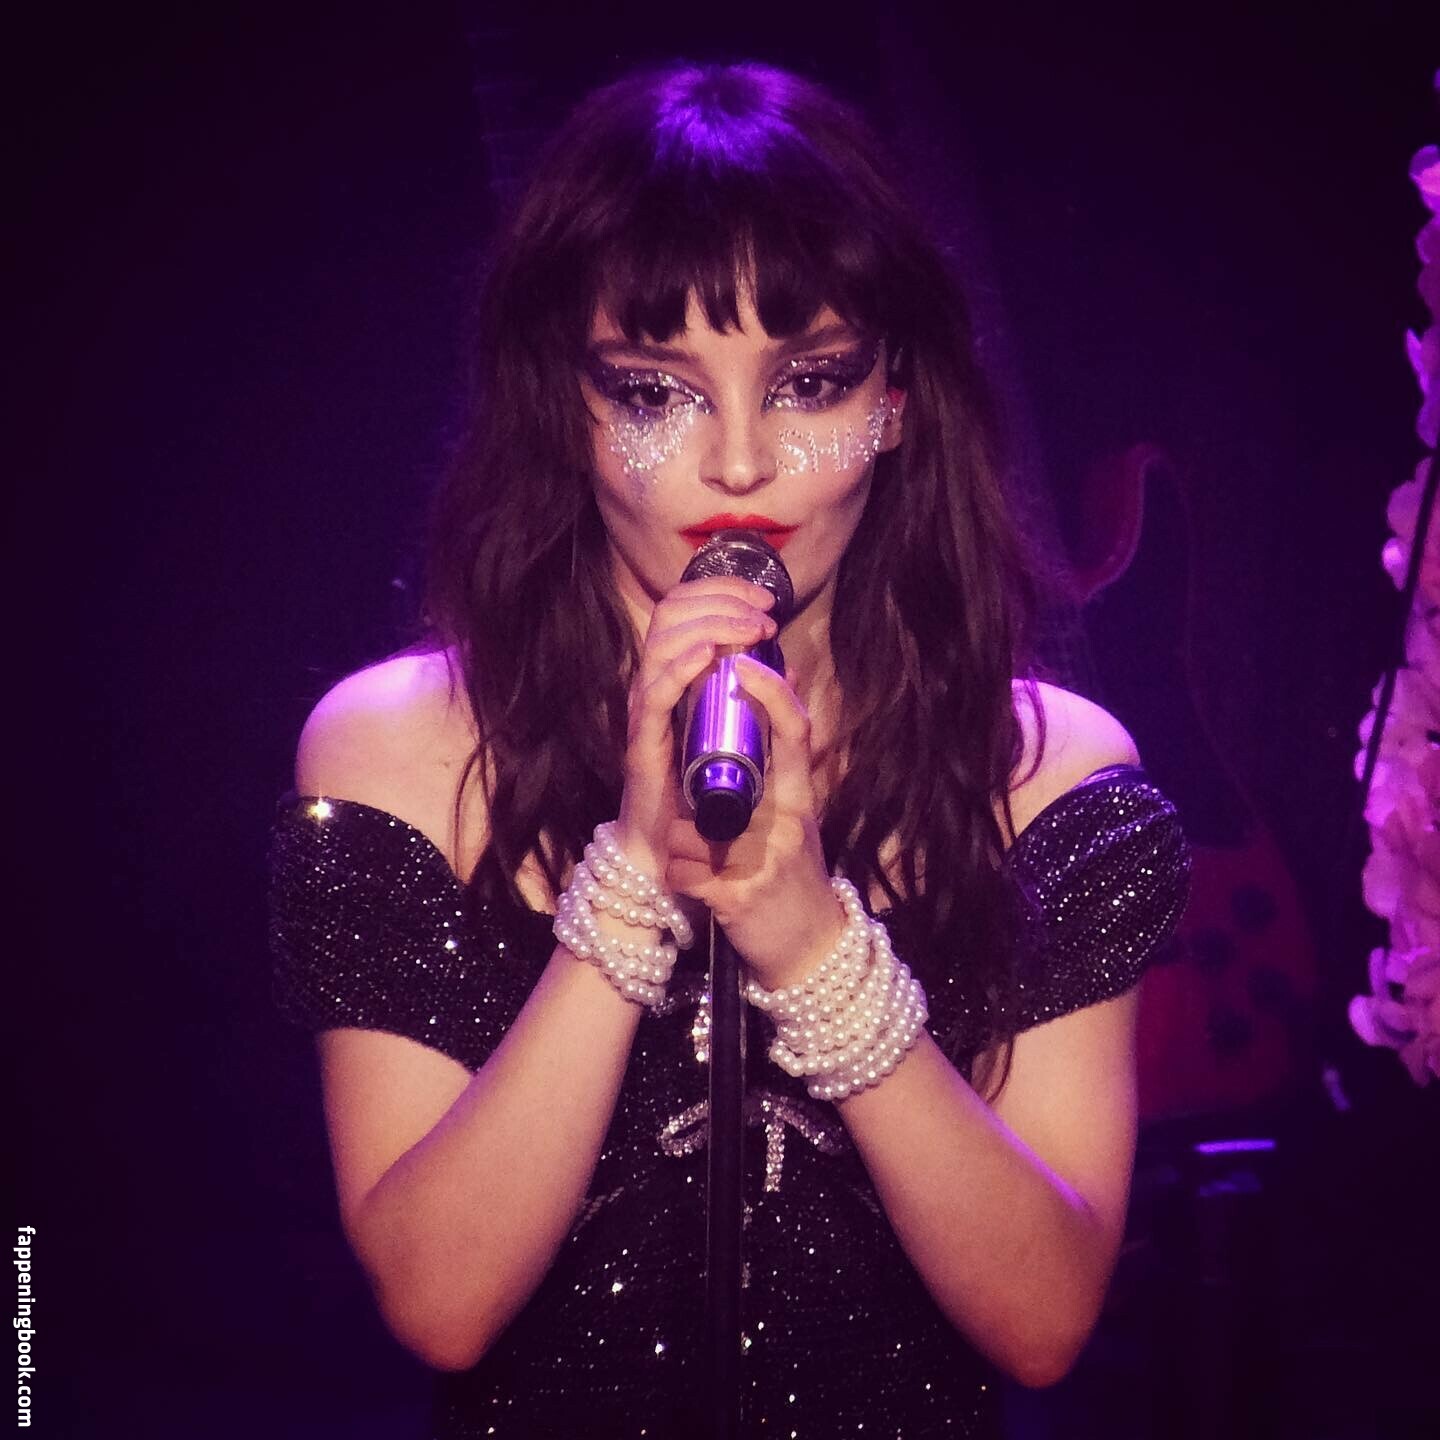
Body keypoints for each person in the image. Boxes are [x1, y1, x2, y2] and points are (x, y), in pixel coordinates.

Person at [269, 58, 1190, 1438]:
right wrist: (634, 872)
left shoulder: (1043, 775)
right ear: (565, 405)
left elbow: (1045, 1318)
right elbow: (439, 1298)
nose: (741, 465)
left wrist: (812, 942)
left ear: (894, 403)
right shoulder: (399, 748)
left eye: (810, 383)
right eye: (656, 392)